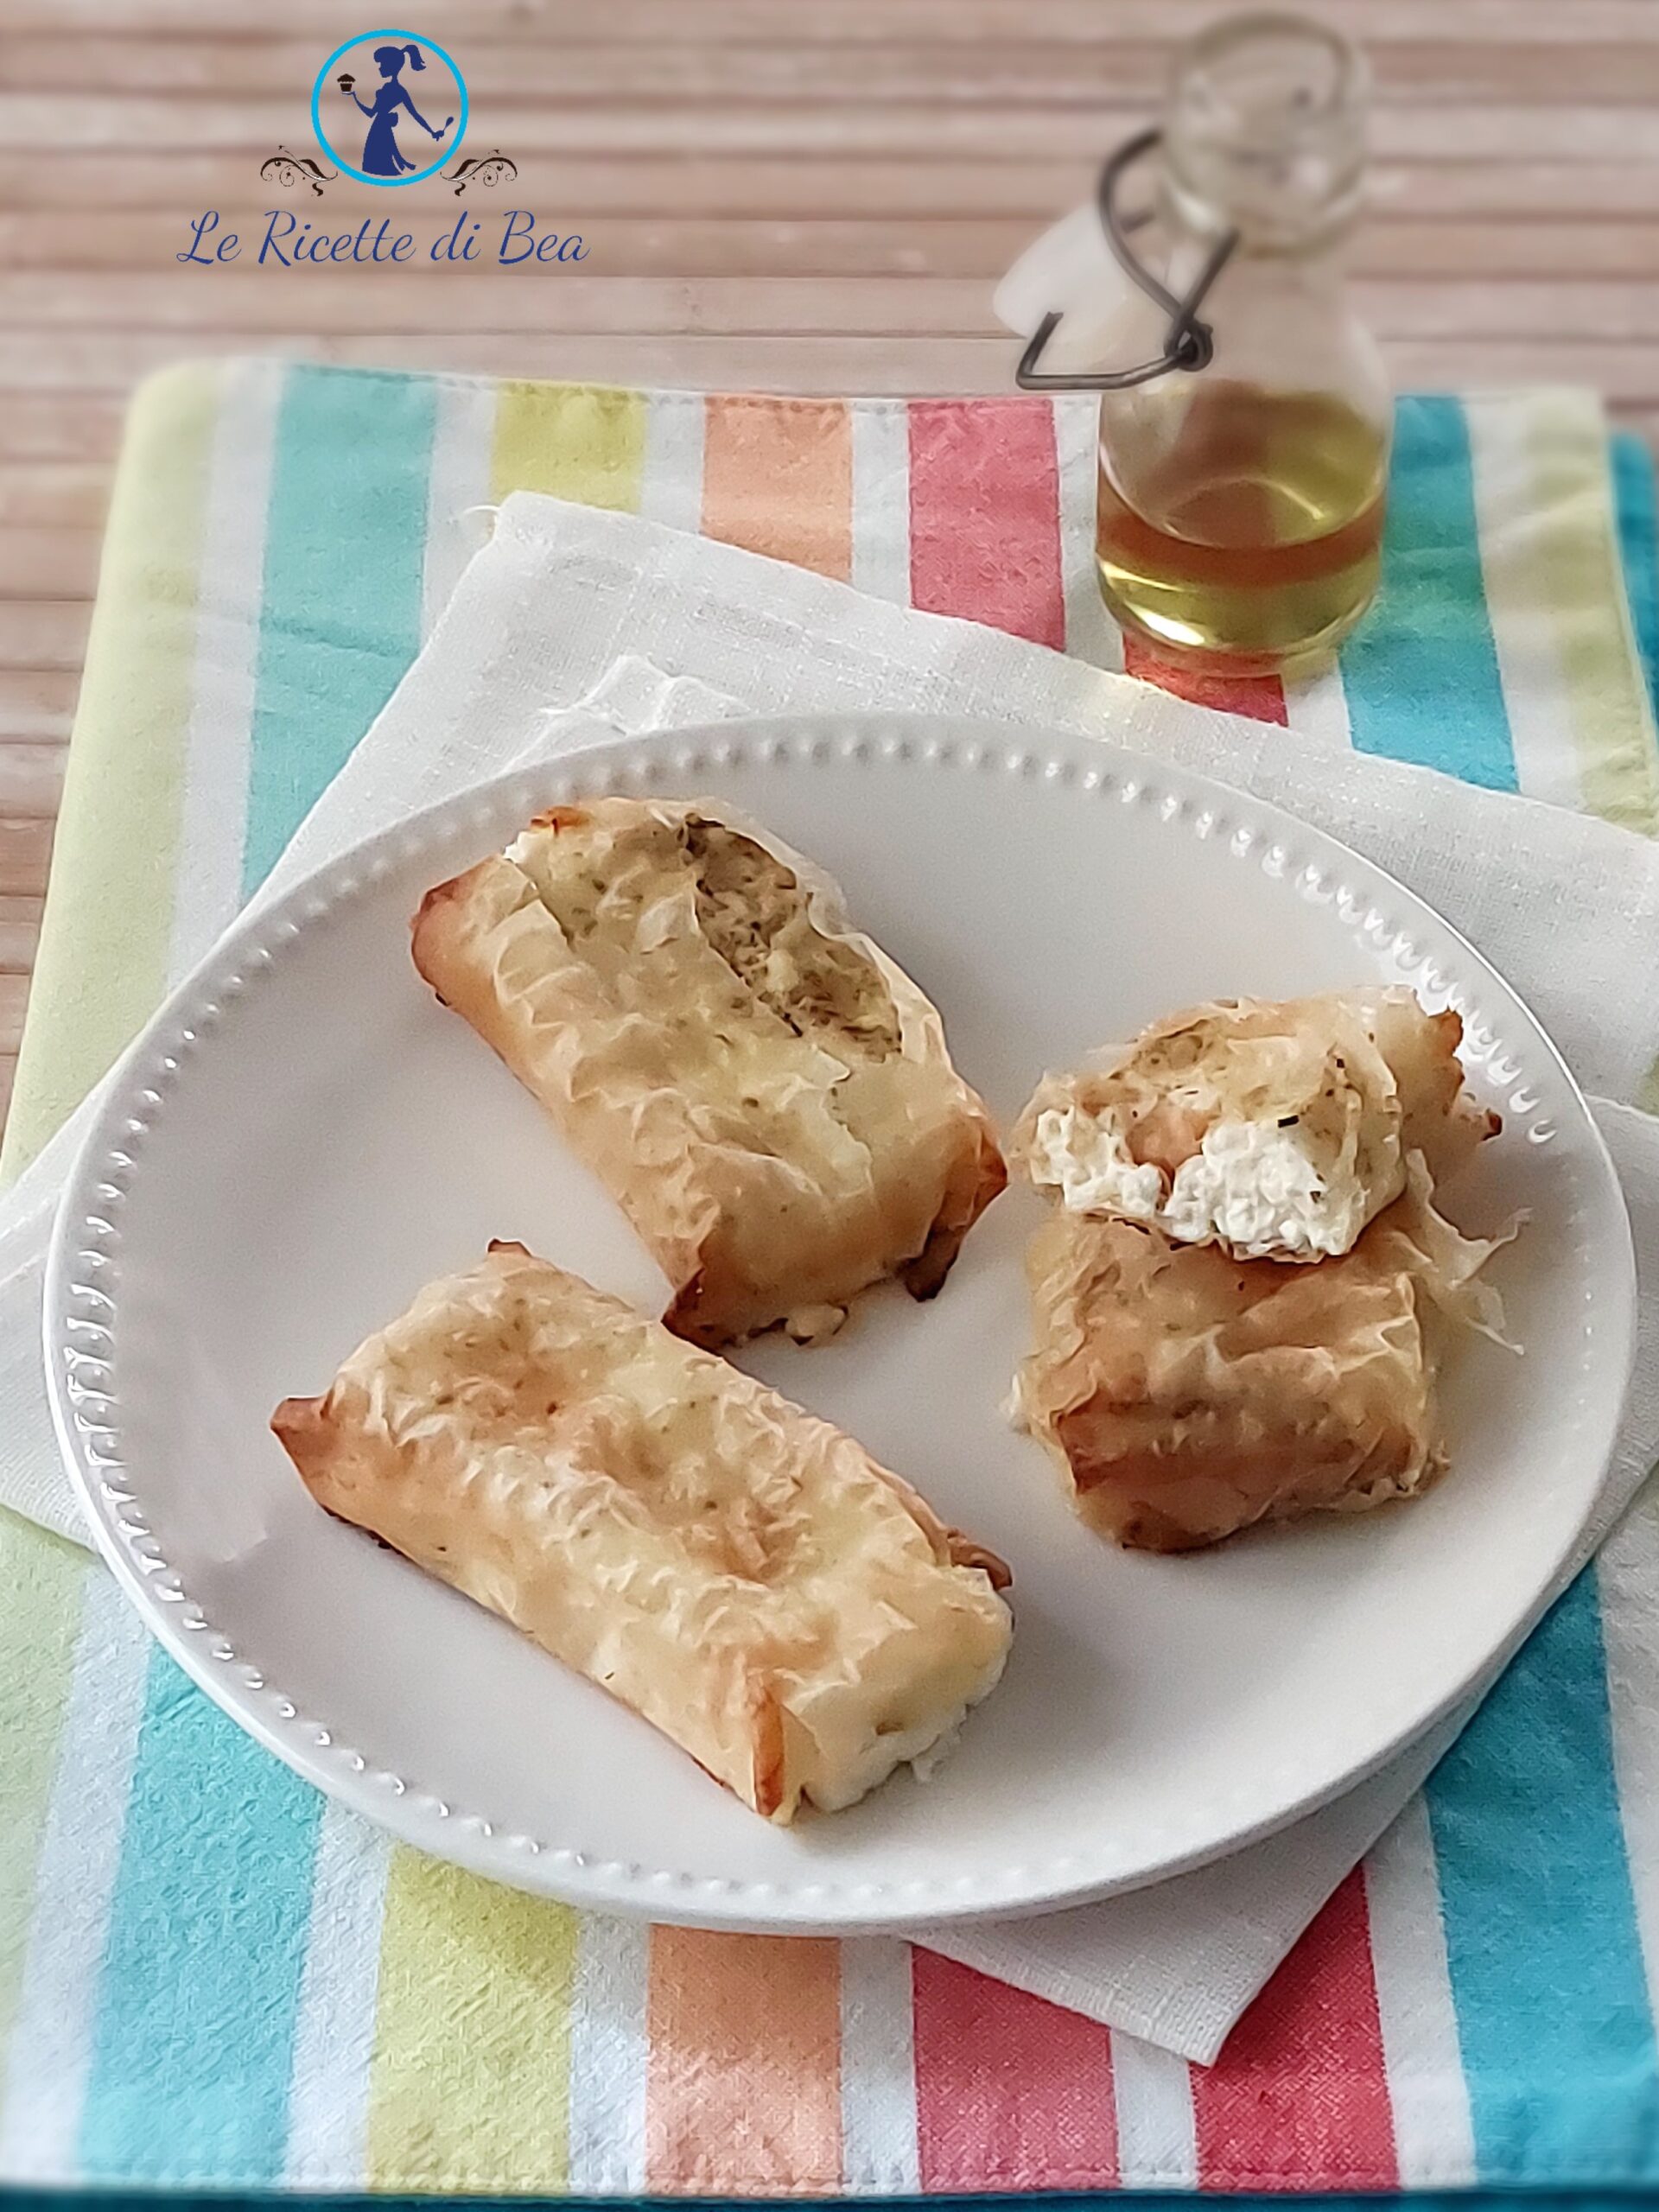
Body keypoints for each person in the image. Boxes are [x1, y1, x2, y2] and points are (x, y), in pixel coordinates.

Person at [342, 43, 448, 178]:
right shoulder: (387, 88)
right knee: (376, 166)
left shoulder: (399, 91)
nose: (379, 68)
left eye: (382, 64)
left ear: (391, 66)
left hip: (380, 129)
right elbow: (371, 113)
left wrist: (431, 131)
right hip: (377, 129)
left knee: (380, 166)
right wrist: (355, 98)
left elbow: (415, 114)